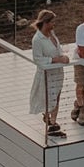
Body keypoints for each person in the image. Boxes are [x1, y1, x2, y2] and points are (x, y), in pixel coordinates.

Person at [28, 10, 70, 138]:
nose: (54, 24)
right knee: (48, 97)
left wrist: (63, 56)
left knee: (56, 96)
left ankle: (52, 121)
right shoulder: (37, 40)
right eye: (52, 22)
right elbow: (37, 59)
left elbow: (57, 49)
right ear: (45, 22)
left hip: (57, 72)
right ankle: (50, 123)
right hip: (47, 74)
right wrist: (55, 60)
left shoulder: (52, 34)